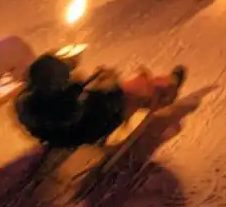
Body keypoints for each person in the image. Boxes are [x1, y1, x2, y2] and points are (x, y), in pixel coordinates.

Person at [15, 52, 186, 149]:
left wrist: (85, 83)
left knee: (127, 90)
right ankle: (168, 86)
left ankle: (162, 88)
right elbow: (80, 112)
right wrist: (108, 87)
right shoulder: (65, 105)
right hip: (93, 128)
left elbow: (69, 97)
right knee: (137, 90)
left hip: (61, 134)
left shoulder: (26, 101)